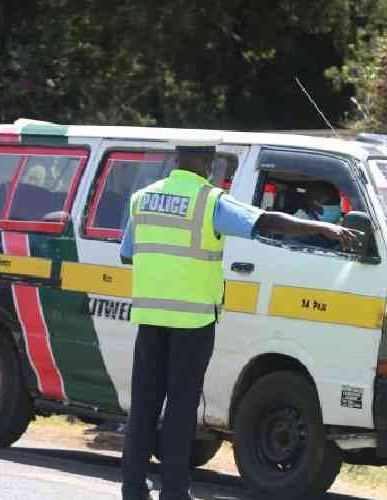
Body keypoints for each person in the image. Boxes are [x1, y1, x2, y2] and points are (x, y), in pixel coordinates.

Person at [119, 140, 361, 500]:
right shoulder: (209, 201)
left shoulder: (143, 198)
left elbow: (127, 255)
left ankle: (132, 489)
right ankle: (174, 492)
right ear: (207, 164)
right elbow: (265, 221)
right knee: (181, 409)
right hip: (192, 322)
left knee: (143, 407)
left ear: (177, 159)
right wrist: (324, 230)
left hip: (150, 318)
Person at [291, 181, 344, 248]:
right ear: (312, 203)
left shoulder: (330, 225)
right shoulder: (298, 228)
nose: (335, 206)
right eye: (329, 202)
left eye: (337, 202)